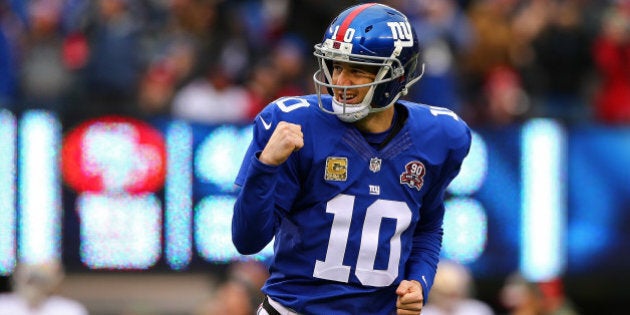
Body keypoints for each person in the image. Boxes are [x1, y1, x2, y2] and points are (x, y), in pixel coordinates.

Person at [232, 3, 471, 314]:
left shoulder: (441, 135)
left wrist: (419, 280)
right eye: (336, 65)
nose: (340, 82)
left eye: (357, 69)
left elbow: (427, 224)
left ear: (396, 76)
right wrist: (264, 166)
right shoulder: (293, 124)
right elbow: (247, 241)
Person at [0, 261, 88, 315]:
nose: (33, 287)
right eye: (30, 281)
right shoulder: (3, 306)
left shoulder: (69, 310)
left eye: (38, 281)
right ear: (17, 278)